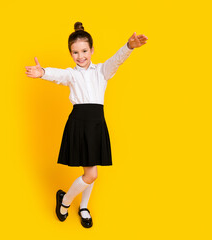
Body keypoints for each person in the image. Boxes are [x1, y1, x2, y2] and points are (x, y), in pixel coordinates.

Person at [25, 22, 148, 228]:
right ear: (70, 54)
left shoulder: (102, 71)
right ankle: (64, 201)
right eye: (75, 52)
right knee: (91, 174)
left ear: (92, 50)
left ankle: (83, 206)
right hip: (79, 123)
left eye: (84, 51)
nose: (80, 56)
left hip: (97, 123)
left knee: (91, 169)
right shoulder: (71, 74)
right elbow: (57, 74)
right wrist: (43, 72)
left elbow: (117, 60)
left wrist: (128, 47)